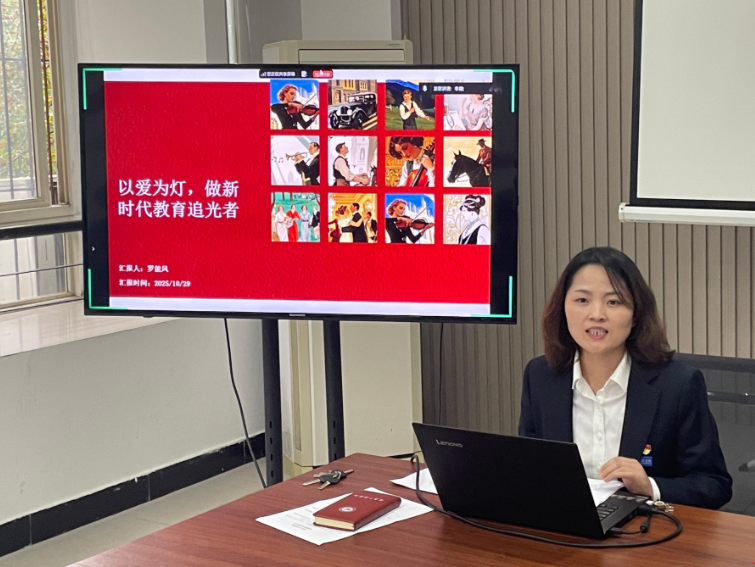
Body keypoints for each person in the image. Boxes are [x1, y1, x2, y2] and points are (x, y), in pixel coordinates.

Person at [519, 247, 732, 509]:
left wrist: (649, 486)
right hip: (564, 523)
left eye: (613, 302)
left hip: (643, 527)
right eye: (582, 300)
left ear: (635, 315)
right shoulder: (540, 376)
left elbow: (714, 484)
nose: (597, 314)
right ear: (563, 308)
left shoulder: (677, 384)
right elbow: (529, 468)